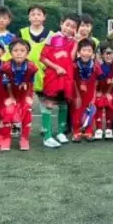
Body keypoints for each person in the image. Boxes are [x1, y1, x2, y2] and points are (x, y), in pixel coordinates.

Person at [39, 12, 78, 148]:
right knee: (49, 104)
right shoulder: (52, 37)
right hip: (53, 76)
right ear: (61, 23)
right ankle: (47, 136)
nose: (69, 28)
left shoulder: (72, 41)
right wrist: (56, 67)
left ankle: (60, 133)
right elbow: (42, 57)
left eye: (73, 27)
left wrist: (76, 43)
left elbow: (71, 58)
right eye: (67, 25)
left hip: (66, 77)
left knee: (63, 104)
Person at [1, 39, 38, 151]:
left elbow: (30, 83)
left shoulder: (31, 67)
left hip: (25, 92)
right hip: (9, 91)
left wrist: (27, 95)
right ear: (10, 52)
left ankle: (24, 138)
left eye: (22, 50)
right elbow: (7, 84)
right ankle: (6, 138)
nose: (19, 53)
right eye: (15, 50)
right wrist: (11, 97)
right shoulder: (6, 67)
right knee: (9, 111)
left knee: (27, 110)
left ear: (27, 53)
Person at [71, 39, 103, 142]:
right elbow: (73, 81)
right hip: (77, 93)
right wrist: (77, 96)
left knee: (90, 110)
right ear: (78, 52)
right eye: (84, 50)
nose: (86, 53)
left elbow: (97, 82)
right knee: (77, 110)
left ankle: (88, 131)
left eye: (89, 50)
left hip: (90, 92)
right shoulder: (74, 65)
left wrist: (94, 96)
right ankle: (76, 131)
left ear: (93, 52)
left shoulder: (95, 66)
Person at [18, 4, 53, 97]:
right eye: (33, 14)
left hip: (45, 78)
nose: (36, 17)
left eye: (39, 14)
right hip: (25, 79)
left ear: (44, 17)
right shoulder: (21, 33)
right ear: (29, 17)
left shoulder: (52, 35)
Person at [96, 41, 113, 140]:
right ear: (101, 55)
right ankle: (99, 128)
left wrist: (109, 93)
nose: (109, 56)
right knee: (98, 101)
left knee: (110, 102)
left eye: (111, 53)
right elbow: (95, 80)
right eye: (106, 53)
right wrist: (98, 92)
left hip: (111, 91)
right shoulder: (97, 65)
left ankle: (109, 128)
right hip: (100, 90)